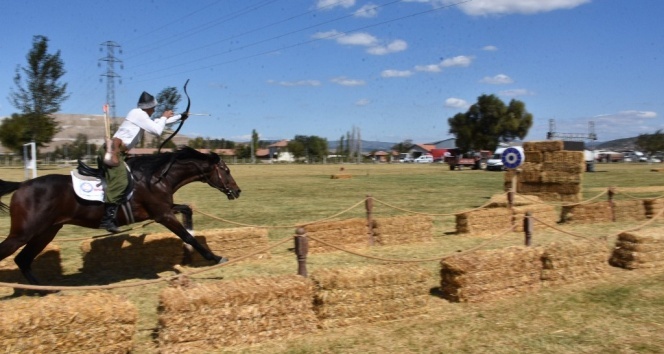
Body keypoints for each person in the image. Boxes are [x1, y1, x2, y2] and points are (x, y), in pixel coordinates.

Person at [99, 91, 185, 233]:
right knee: (121, 180)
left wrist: (180, 117)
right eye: (153, 108)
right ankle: (107, 219)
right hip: (112, 152)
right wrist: (164, 117)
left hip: (117, 152)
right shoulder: (138, 114)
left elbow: (158, 123)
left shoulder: (141, 116)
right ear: (148, 107)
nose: (154, 111)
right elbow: (157, 130)